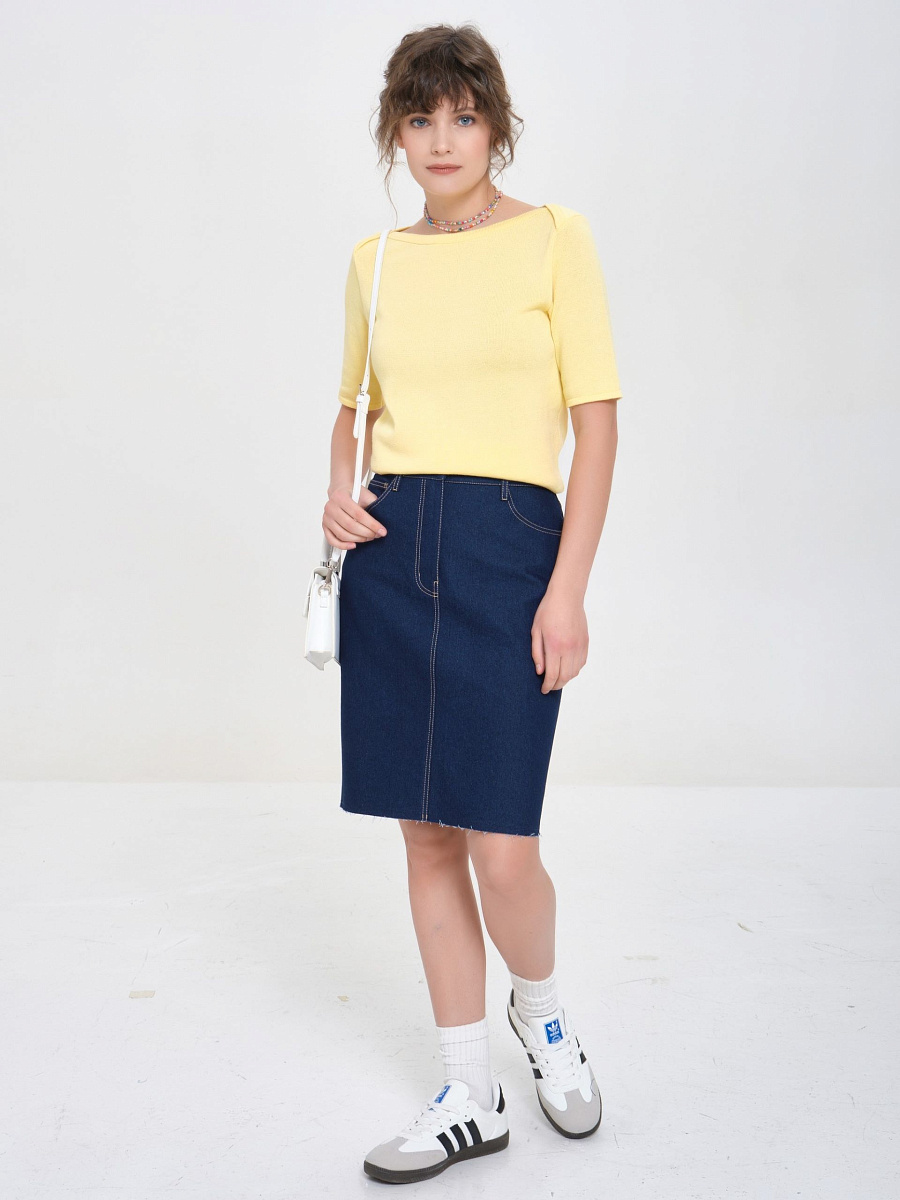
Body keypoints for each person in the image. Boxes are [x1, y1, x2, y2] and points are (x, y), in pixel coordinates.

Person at [321, 23, 621, 1185]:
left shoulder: (554, 240)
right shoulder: (376, 261)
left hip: (511, 552)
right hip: (394, 555)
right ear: (395, 132)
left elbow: (596, 422)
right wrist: (338, 491)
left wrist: (568, 587)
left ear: (495, 124)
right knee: (427, 833)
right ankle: (469, 1091)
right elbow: (351, 406)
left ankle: (538, 1011)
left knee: (503, 847)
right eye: (420, 118)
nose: (442, 140)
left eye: (463, 116)